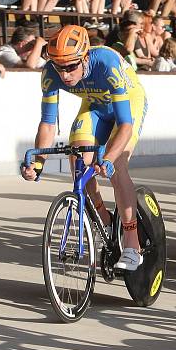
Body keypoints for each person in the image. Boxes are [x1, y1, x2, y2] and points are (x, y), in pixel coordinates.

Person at [21, 25, 148, 271]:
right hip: (96, 106)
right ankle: (104, 219)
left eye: (71, 67)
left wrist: (109, 159)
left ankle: (133, 244)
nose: (65, 75)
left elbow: (124, 126)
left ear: (85, 57)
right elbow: (48, 123)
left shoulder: (107, 63)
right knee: (78, 156)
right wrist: (37, 164)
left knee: (117, 166)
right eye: (60, 67)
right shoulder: (50, 74)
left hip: (127, 103)